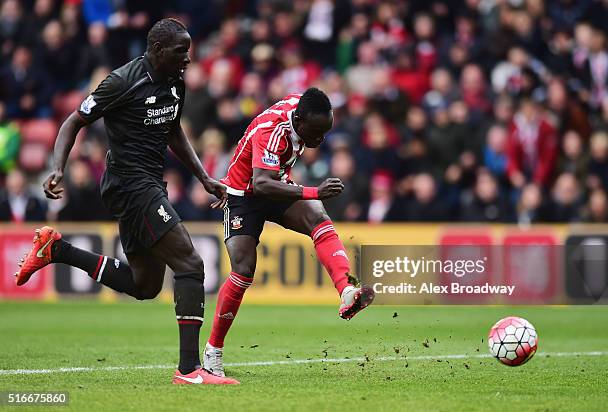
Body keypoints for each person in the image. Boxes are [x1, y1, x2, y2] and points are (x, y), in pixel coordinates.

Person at [13, 18, 238, 385]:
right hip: (129, 184)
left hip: (148, 183)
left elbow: (174, 131)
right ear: (158, 50)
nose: (188, 58)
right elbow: (73, 121)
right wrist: (57, 169)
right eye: (182, 51)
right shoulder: (122, 81)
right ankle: (189, 370)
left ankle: (57, 251)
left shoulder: (175, 81)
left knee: (144, 285)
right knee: (191, 264)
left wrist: (204, 178)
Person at [202, 87, 375, 377]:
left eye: (326, 131)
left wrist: (307, 195)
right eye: (317, 133)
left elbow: (273, 178)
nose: (321, 139)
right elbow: (260, 184)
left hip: (276, 183)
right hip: (244, 194)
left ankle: (346, 290)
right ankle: (212, 352)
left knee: (318, 219)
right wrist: (313, 191)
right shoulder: (272, 131)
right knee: (244, 269)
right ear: (300, 121)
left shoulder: (303, 107)